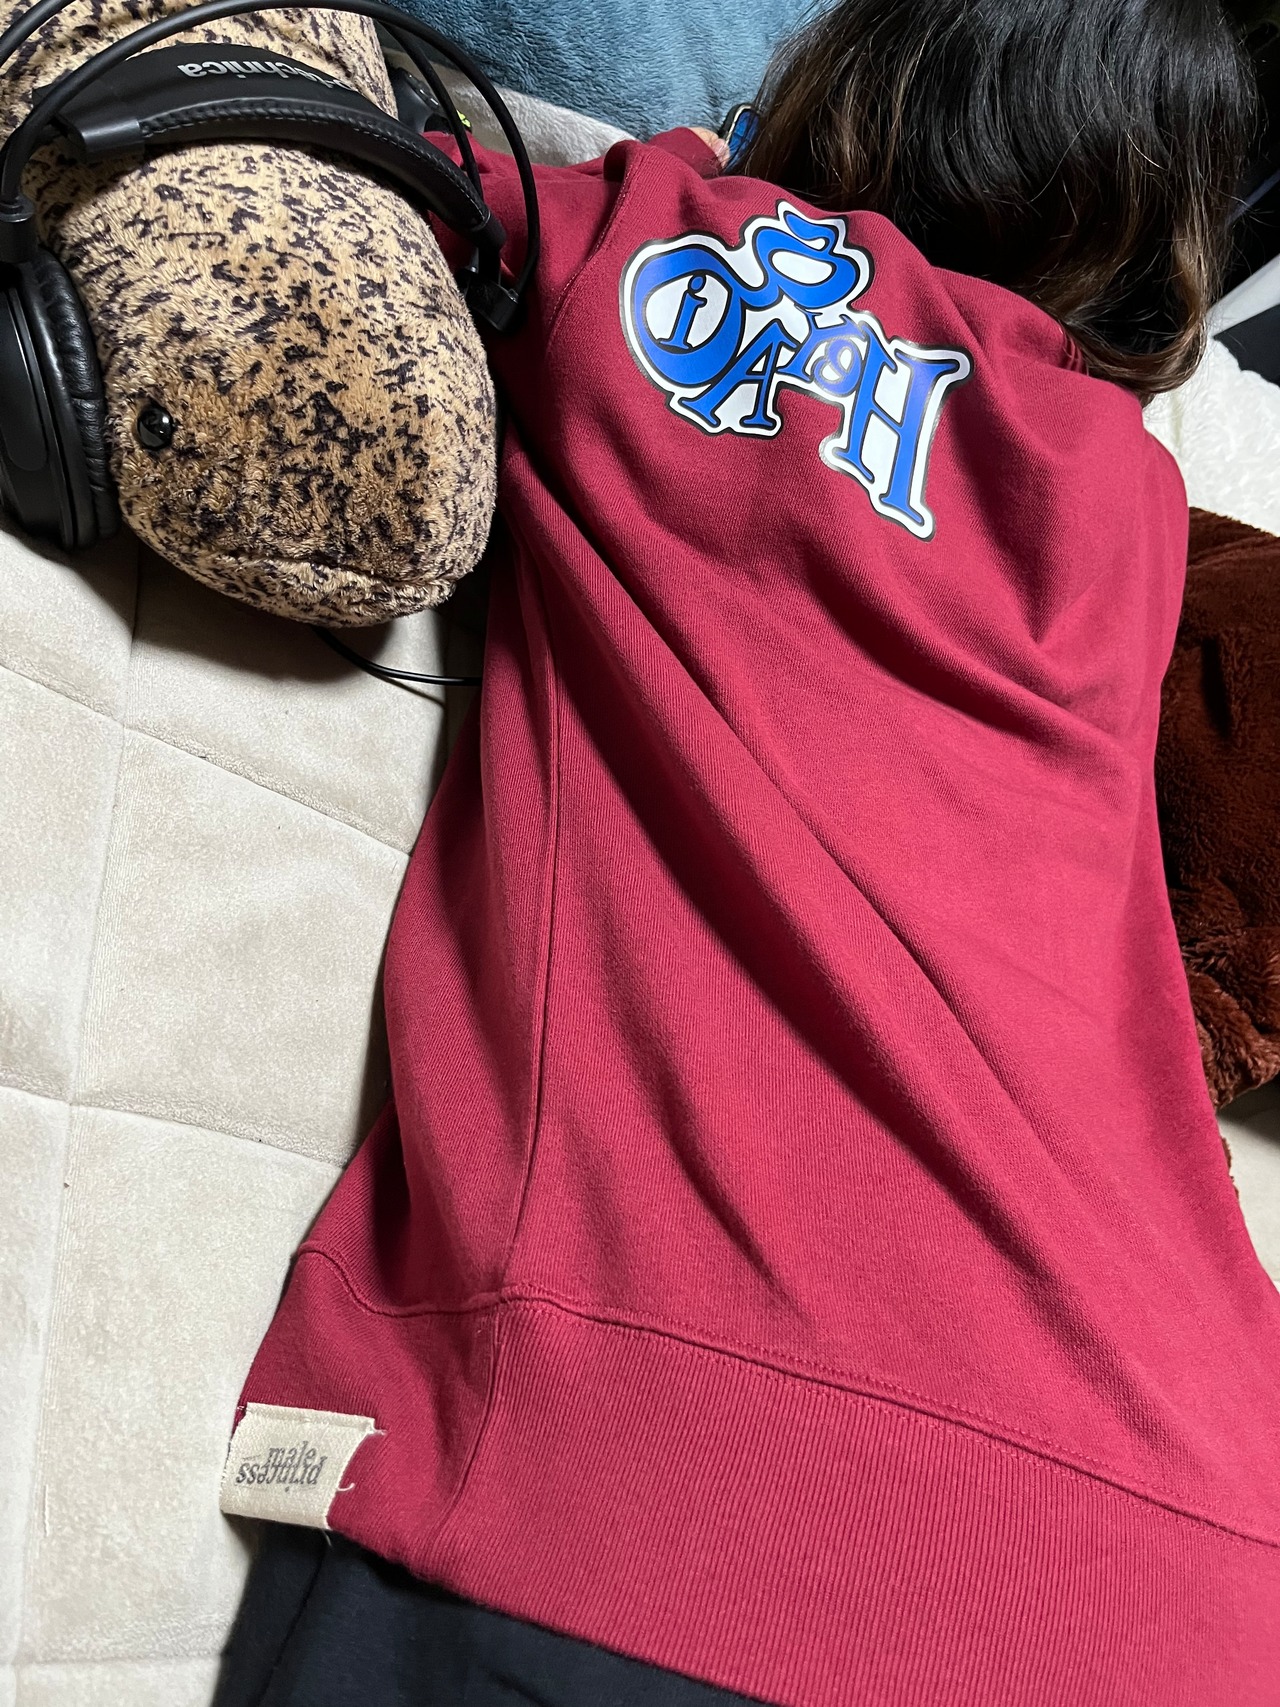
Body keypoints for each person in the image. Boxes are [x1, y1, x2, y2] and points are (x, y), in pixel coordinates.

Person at [214, 2, 1280, 1703]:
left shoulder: (660, 243)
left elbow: (252, 137)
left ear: (876, 65)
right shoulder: (1128, 493)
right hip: (1199, 1550)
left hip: (646, 1471)